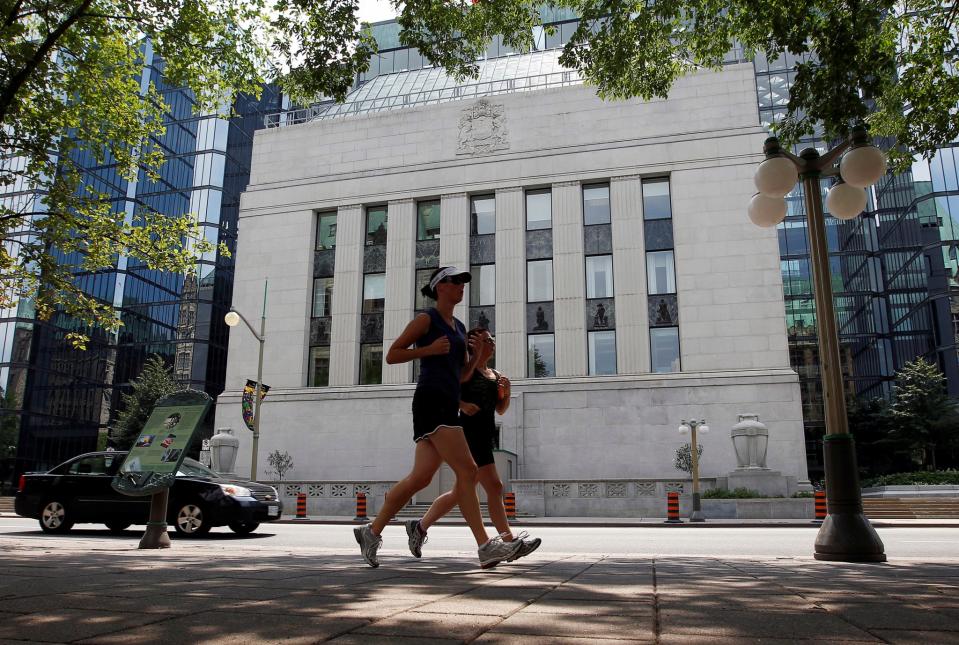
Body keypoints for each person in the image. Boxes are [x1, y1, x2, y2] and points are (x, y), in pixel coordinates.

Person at [354, 267, 523, 569]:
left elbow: (459, 377)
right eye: (455, 281)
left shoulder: (458, 327)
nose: (461, 286)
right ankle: (485, 546)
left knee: (421, 478)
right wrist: (429, 350)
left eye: (462, 282)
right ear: (440, 287)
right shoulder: (426, 319)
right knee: (468, 470)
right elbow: (393, 354)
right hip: (431, 401)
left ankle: (371, 531)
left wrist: (473, 359)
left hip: (447, 402)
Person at [404, 328, 541, 563]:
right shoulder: (464, 370)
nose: (492, 343)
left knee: (462, 492)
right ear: (474, 344)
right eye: (487, 340)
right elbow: (444, 392)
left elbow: (500, 409)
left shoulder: (494, 374)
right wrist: (462, 404)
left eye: (493, 340)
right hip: (465, 433)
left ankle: (419, 526)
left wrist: (506, 393)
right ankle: (508, 542)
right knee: (494, 487)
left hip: (484, 434)